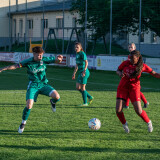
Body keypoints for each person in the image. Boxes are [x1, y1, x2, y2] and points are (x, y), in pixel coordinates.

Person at [0, 46, 63, 133]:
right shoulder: (28, 61)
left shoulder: (44, 60)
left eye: (41, 55)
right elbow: (16, 66)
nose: (40, 57)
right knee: (29, 105)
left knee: (57, 96)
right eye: (38, 55)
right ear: (34, 54)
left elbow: (56, 60)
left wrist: (59, 59)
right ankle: (23, 123)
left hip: (43, 84)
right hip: (33, 85)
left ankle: (53, 102)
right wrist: (3, 68)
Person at [116, 50, 160, 133]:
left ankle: (149, 122)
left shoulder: (142, 66)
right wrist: (120, 74)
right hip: (123, 87)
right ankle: (125, 124)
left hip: (134, 88)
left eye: (133, 58)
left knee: (138, 111)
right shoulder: (126, 63)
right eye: (130, 57)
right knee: (118, 110)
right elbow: (118, 70)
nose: (131, 60)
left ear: (138, 58)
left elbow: (154, 74)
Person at [124, 43, 149, 109]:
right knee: (129, 90)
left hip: (135, 75)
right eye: (129, 47)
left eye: (131, 47)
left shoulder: (136, 55)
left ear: (134, 48)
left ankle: (145, 102)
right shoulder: (129, 55)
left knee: (135, 91)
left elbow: (139, 65)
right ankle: (126, 105)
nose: (130, 48)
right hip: (130, 75)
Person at [72, 42, 93, 106]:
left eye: (77, 47)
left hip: (84, 72)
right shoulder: (77, 54)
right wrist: (74, 73)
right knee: (77, 87)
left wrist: (84, 70)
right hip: (80, 72)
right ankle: (89, 97)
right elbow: (76, 65)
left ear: (80, 48)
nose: (76, 48)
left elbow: (86, 62)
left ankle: (85, 103)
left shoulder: (82, 53)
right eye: (75, 47)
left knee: (82, 88)